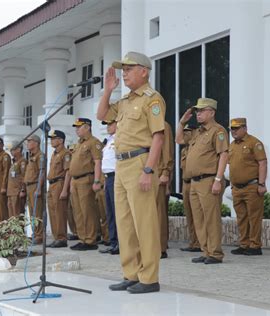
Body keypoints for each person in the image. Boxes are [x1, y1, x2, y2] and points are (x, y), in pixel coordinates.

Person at [97, 51, 165, 294]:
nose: (124, 73)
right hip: (120, 164)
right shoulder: (124, 101)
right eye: (122, 69)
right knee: (125, 223)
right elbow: (102, 116)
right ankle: (131, 273)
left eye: (129, 68)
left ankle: (149, 278)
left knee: (144, 222)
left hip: (139, 162)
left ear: (143, 71)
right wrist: (107, 90)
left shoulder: (152, 99)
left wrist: (149, 169)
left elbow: (158, 138)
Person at [176, 98, 228, 265]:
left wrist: (218, 179)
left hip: (209, 179)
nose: (198, 114)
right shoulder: (197, 132)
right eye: (197, 111)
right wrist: (182, 122)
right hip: (194, 182)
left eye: (201, 111)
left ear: (211, 112)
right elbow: (179, 140)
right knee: (198, 219)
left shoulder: (218, 131)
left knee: (211, 218)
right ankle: (206, 251)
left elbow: (224, 155)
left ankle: (215, 253)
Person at [228, 118, 267, 256]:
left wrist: (261, 184)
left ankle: (255, 245)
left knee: (254, 217)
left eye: (237, 128)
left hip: (251, 186)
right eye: (232, 129)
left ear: (245, 128)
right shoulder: (232, 145)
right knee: (241, 217)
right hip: (237, 188)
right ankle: (244, 244)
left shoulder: (254, 143)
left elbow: (262, 163)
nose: (234, 131)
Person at [68, 118, 103, 251]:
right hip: (76, 180)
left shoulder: (94, 142)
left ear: (87, 127)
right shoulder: (78, 144)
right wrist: (71, 182)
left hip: (86, 179)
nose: (77, 129)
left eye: (79, 127)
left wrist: (97, 181)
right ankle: (82, 238)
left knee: (87, 210)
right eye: (76, 127)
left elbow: (98, 162)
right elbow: (73, 166)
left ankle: (90, 240)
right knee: (78, 211)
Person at [46, 130, 71, 248]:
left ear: (61, 140)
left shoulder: (65, 153)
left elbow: (68, 172)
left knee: (60, 212)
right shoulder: (54, 153)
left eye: (54, 138)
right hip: (51, 185)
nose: (51, 140)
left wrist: (65, 189)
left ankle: (62, 238)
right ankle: (56, 237)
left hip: (59, 183)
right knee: (52, 212)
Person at [98, 120, 120, 255]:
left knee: (118, 211)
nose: (108, 127)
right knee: (110, 212)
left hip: (117, 176)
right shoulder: (108, 141)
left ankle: (120, 243)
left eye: (110, 124)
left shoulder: (120, 138)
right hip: (108, 178)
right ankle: (113, 242)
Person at [179, 124, 201, 252]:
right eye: (184, 132)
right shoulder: (184, 150)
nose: (185, 134)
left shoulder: (197, 148)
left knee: (197, 214)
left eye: (188, 132)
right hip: (185, 183)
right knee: (189, 215)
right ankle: (193, 242)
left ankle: (200, 242)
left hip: (195, 182)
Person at [22, 134, 45, 244]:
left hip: (35, 185)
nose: (27, 143)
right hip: (29, 186)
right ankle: (35, 233)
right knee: (32, 212)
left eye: (29, 141)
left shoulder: (40, 156)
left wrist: (39, 188)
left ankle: (39, 235)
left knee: (37, 212)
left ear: (36, 143)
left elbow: (42, 172)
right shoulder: (31, 156)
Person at [157, 121, 174, 259]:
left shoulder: (162, 125)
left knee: (159, 214)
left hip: (157, 174)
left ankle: (161, 247)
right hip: (145, 174)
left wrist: (165, 172)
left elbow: (167, 150)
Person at [6, 141, 27, 219]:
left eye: (13, 149)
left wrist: (23, 190)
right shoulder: (14, 162)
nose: (11, 152)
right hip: (11, 192)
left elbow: (24, 176)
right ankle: (14, 231)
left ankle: (19, 231)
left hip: (17, 192)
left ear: (18, 149)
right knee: (11, 217)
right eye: (11, 150)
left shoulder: (22, 161)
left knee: (17, 215)